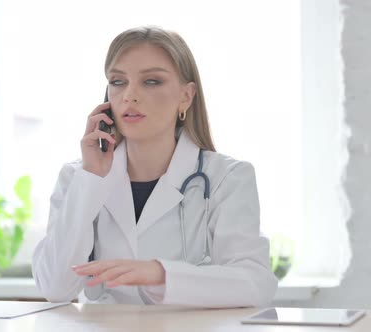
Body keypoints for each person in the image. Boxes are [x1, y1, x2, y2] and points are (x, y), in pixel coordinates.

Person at [32, 26, 277, 307]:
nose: (130, 95)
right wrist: (91, 179)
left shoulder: (227, 178)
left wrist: (161, 274)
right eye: (118, 81)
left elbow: (256, 284)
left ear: (186, 96)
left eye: (151, 81)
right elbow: (54, 286)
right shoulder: (79, 176)